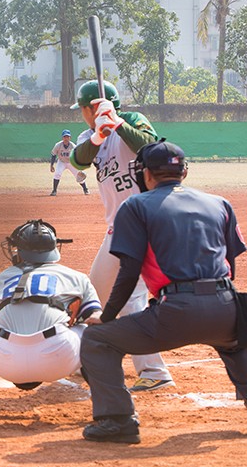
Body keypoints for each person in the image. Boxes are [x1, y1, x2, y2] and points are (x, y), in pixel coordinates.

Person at [79, 140, 247, 443]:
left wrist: (107, 317)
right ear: (184, 171)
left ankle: (119, 420)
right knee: (238, 340)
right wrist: (226, 304)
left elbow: (128, 272)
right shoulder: (219, 203)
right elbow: (231, 261)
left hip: (174, 312)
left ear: (145, 175)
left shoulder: (135, 206)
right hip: (224, 301)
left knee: (97, 341)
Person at [0, 219, 103, 422]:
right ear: (53, 249)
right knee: (93, 332)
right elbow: (97, 318)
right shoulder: (77, 278)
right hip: (60, 357)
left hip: (6, 361)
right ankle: (110, 405)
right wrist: (72, 323)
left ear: (18, 251)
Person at [69, 80, 174, 393]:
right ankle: (86, 358)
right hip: (118, 228)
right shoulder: (89, 135)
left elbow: (153, 147)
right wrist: (100, 134)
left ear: (92, 107)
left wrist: (116, 124)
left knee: (130, 300)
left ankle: (155, 371)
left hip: (144, 223)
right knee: (95, 294)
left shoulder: (133, 120)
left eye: (83, 111)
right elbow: (78, 159)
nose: (83, 117)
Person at [49, 129, 89, 196]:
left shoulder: (73, 146)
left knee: (79, 175)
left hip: (71, 162)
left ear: (70, 138)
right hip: (61, 162)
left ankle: (85, 189)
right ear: (62, 137)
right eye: (65, 137)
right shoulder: (58, 145)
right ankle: (54, 191)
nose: (66, 138)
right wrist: (51, 165)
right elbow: (53, 155)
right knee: (57, 174)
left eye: (67, 137)